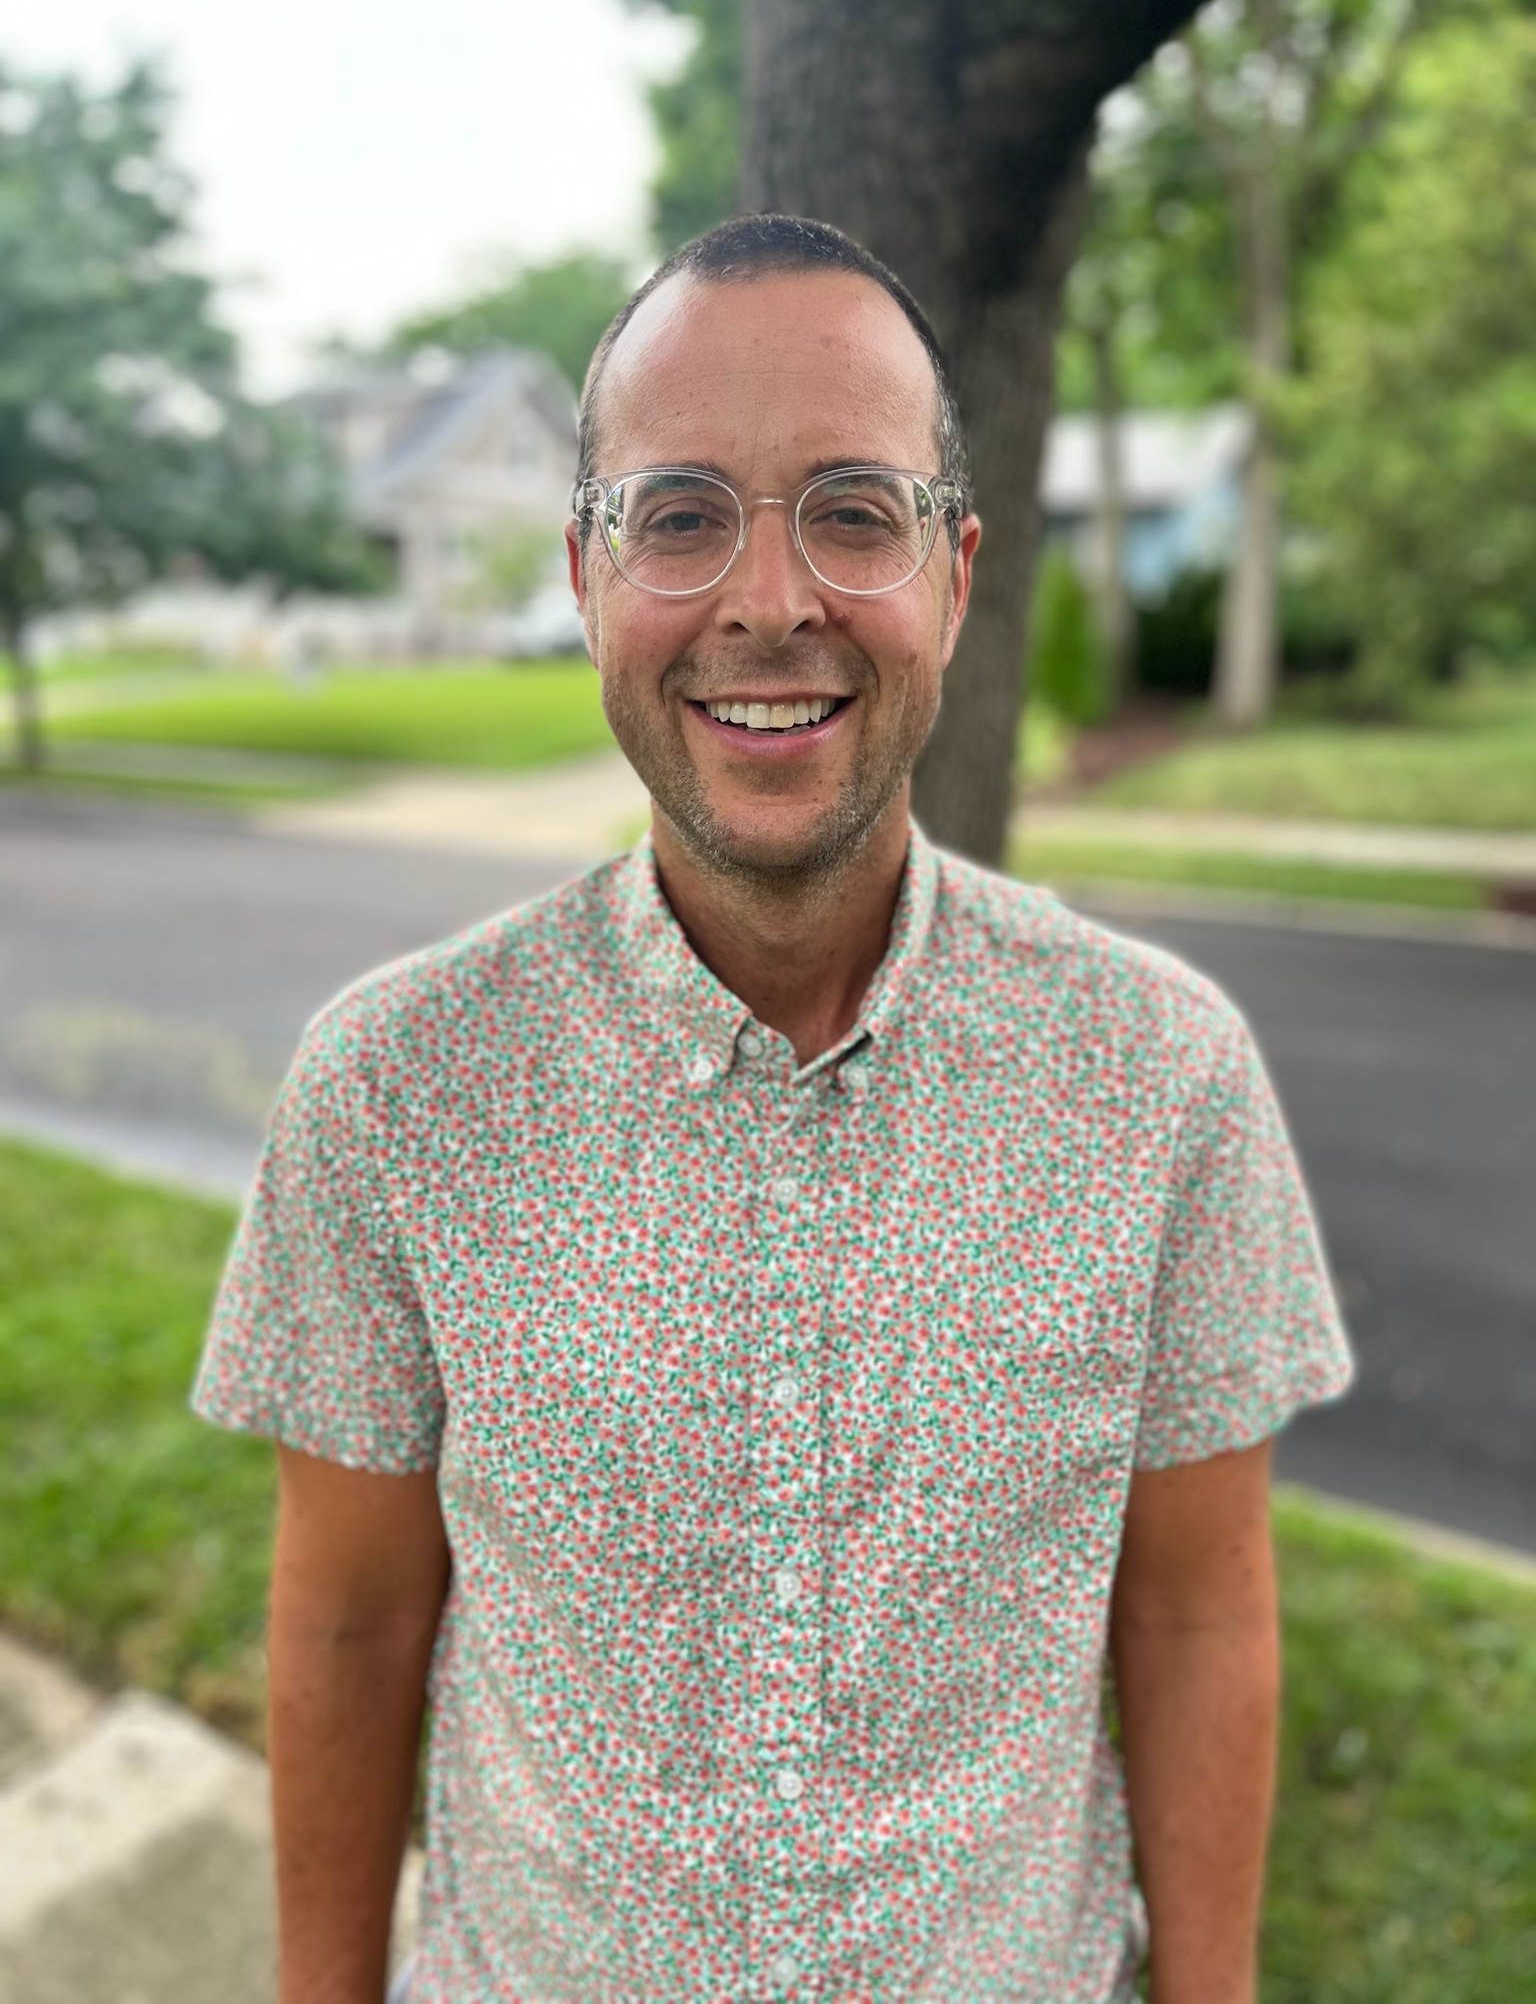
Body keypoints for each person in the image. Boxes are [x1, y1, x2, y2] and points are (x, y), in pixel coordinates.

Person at [193, 213, 1353, 2004]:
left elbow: (1199, 1613)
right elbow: (347, 1623)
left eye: (852, 510)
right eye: (678, 515)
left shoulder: (1164, 1078)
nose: (768, 600)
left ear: (957, 577)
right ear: (584, 576)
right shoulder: (395, 1091)